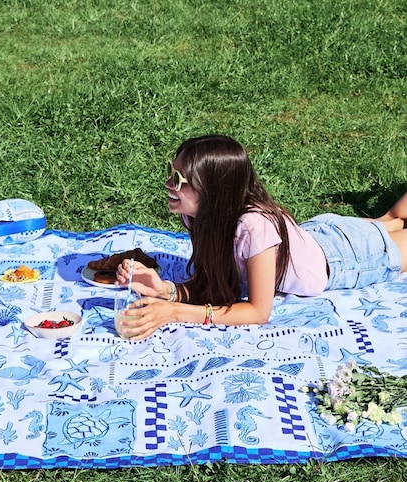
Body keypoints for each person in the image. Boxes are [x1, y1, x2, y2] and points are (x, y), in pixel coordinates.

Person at [115, 134, 407, 340]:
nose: (168, 183)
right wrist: (167, 290)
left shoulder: (254, 226)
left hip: (350, 258)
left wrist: (175, 312)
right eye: (171, 171)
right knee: (389, 219)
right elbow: (217, 284)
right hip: (317, 236)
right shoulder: (197, 215)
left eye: (178, 179)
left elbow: (257, 311)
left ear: (213, 191)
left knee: (393, 220)